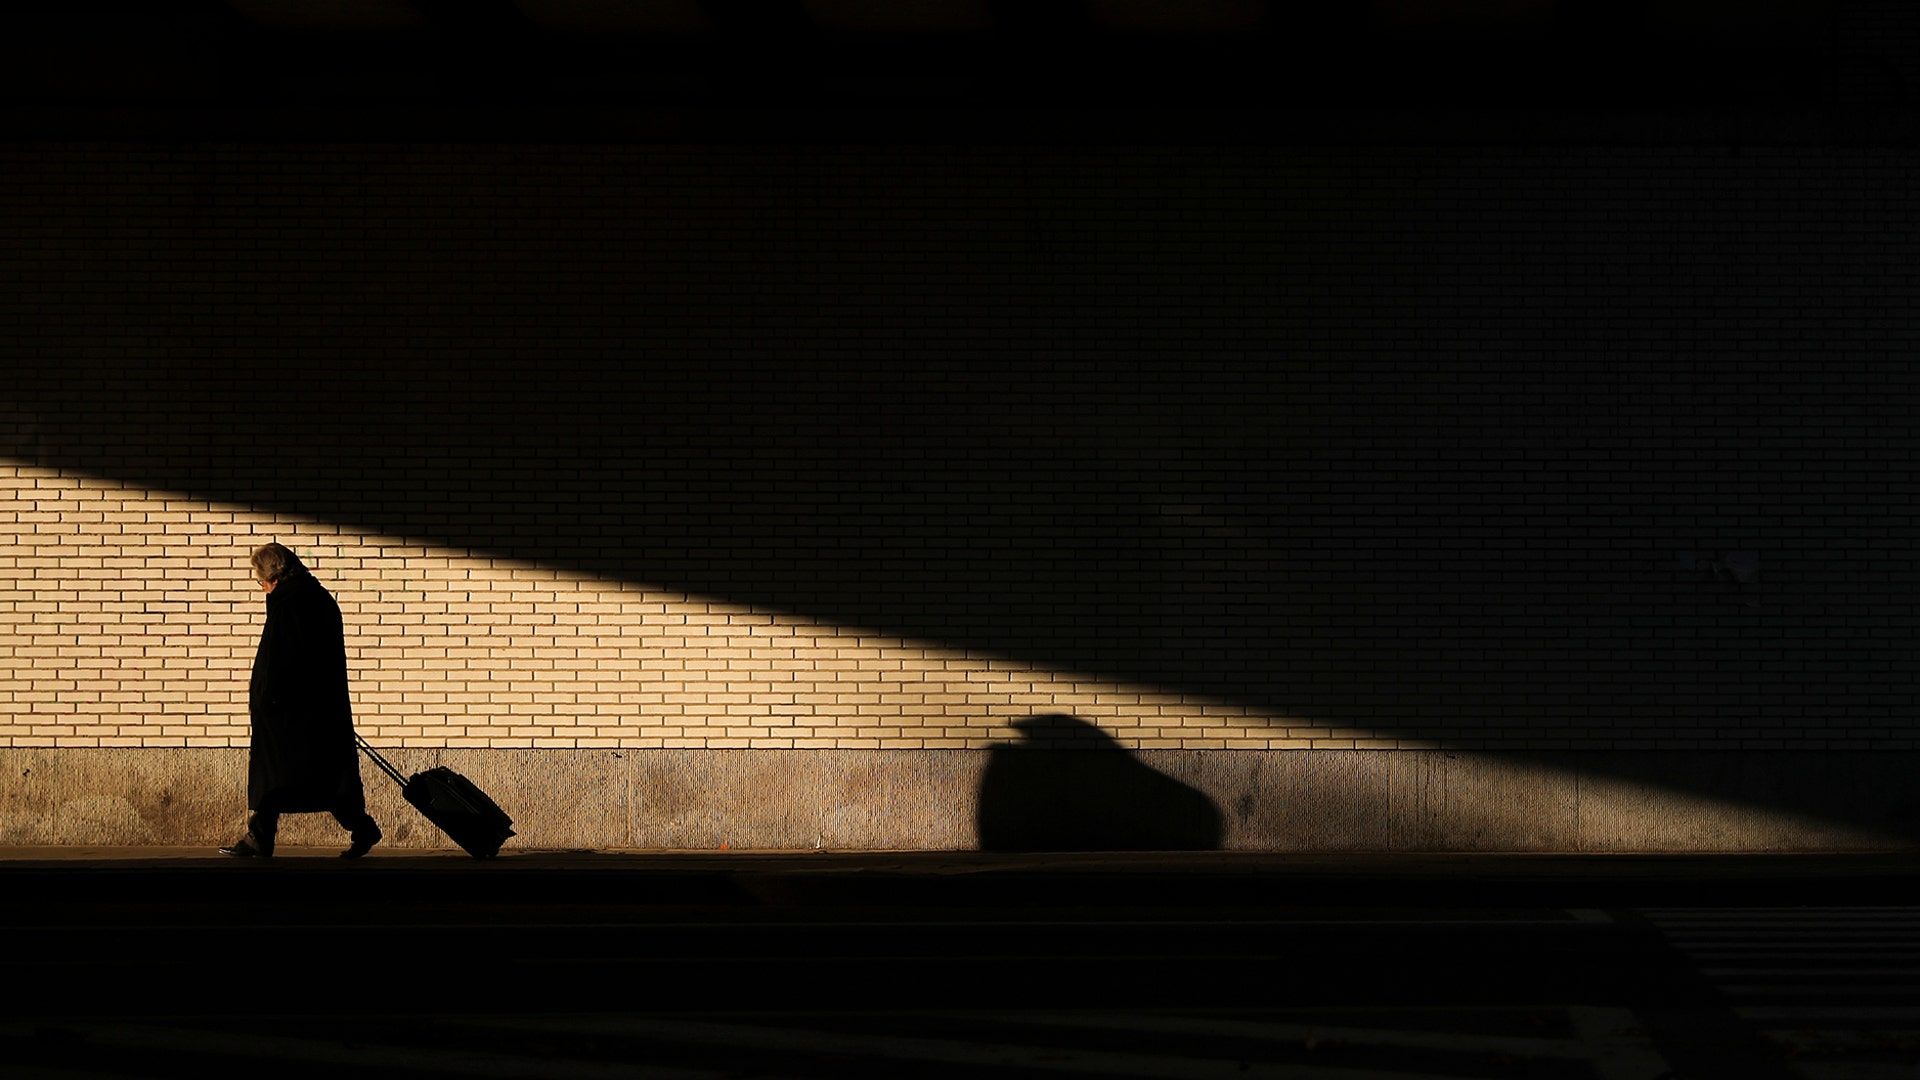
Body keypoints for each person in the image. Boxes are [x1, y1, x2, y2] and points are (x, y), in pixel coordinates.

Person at [221, 542, 382, 859]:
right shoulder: (312, 598)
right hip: (309, 709)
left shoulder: (292, 604)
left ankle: (264, 837)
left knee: (285, 773)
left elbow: (285, 659)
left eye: (261, 581)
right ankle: (263, 836)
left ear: (274, 578)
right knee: (314, 775)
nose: (262, 588)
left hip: (292, 711)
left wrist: (269, 699)